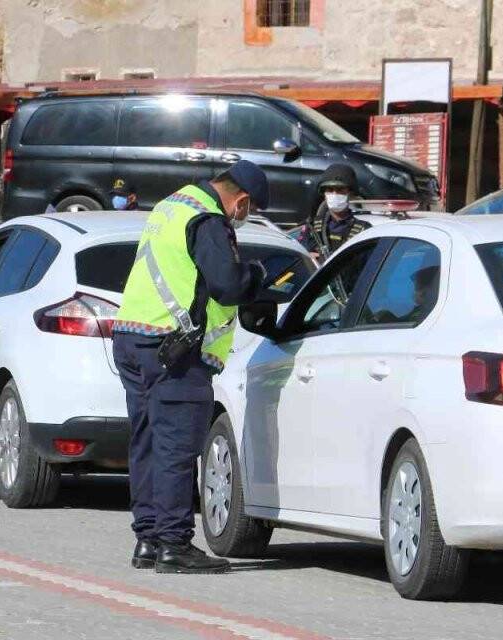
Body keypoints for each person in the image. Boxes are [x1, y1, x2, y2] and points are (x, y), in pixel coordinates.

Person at [111, 160, 269, 574]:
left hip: (133, 338)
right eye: (247, 212)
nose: (243, 219)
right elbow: (227, 285)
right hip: (173, 349)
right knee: (176, 449)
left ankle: (147, 539)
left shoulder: (171, 205)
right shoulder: (208, 220)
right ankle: (174, 545)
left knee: (145, 443)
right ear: (242, 200)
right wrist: (255, 275)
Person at [307, 164, 370, 258]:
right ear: (324, 194)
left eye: (340, 190)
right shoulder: (313, 226)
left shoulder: (364, 230)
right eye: (330, 190)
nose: (334, 194)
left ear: (351, 193)